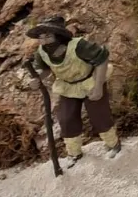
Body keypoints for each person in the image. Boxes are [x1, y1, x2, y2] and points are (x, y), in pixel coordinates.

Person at [25, 15, 119, 164]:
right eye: (41, 38)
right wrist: (37, 78)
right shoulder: (41, 52)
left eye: (48, 36)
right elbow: (45, 69)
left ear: (58, 35)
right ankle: (74, 152)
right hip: (68, 86)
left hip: (89, 81)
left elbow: (101, 59)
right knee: (66, 118)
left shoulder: (78, 46)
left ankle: (113, 144)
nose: (44, 41)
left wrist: (98, 87)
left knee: (99, 115)